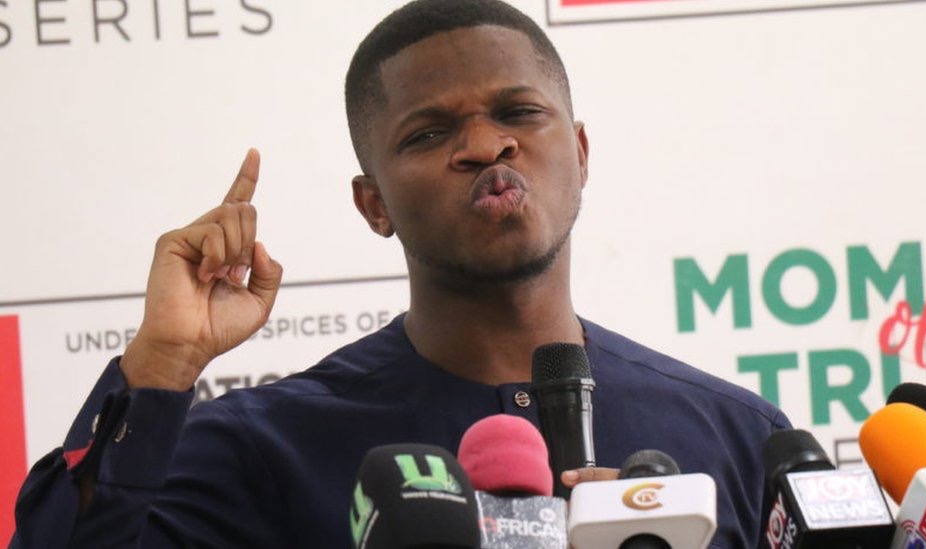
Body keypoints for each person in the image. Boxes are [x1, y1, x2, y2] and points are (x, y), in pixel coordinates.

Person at [12, 0, 791, 547]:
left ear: (581, 155)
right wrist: (161, 363)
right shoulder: (265, 447)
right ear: (374, 203)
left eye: (519, 113)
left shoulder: (737, 435)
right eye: (429, 133)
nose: (485, 145)